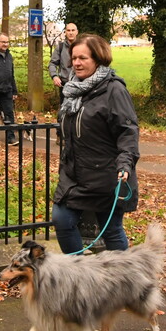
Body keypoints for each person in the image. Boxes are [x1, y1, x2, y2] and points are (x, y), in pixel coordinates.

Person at [51, 33, 140, 254]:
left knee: (111, 230)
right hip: (74, 173)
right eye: (74, 58)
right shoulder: (72, 90)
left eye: (83, 58)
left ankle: (125, 274)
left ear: (98, 59)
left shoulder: (114, 90)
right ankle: (80, 271)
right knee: (62, 219)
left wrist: (125, 163)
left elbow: (127, 131)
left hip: (106, 173)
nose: (77, 63)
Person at [48, 22, 79, 101]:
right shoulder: (60, 47)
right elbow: (52, 63)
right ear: (65, 32)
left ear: (77, 32)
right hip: (65, 85)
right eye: (68, 30)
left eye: (73, 30)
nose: (71, 33)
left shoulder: (83, 46)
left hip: (80, 84)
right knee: (65, 107)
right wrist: (54, 76)